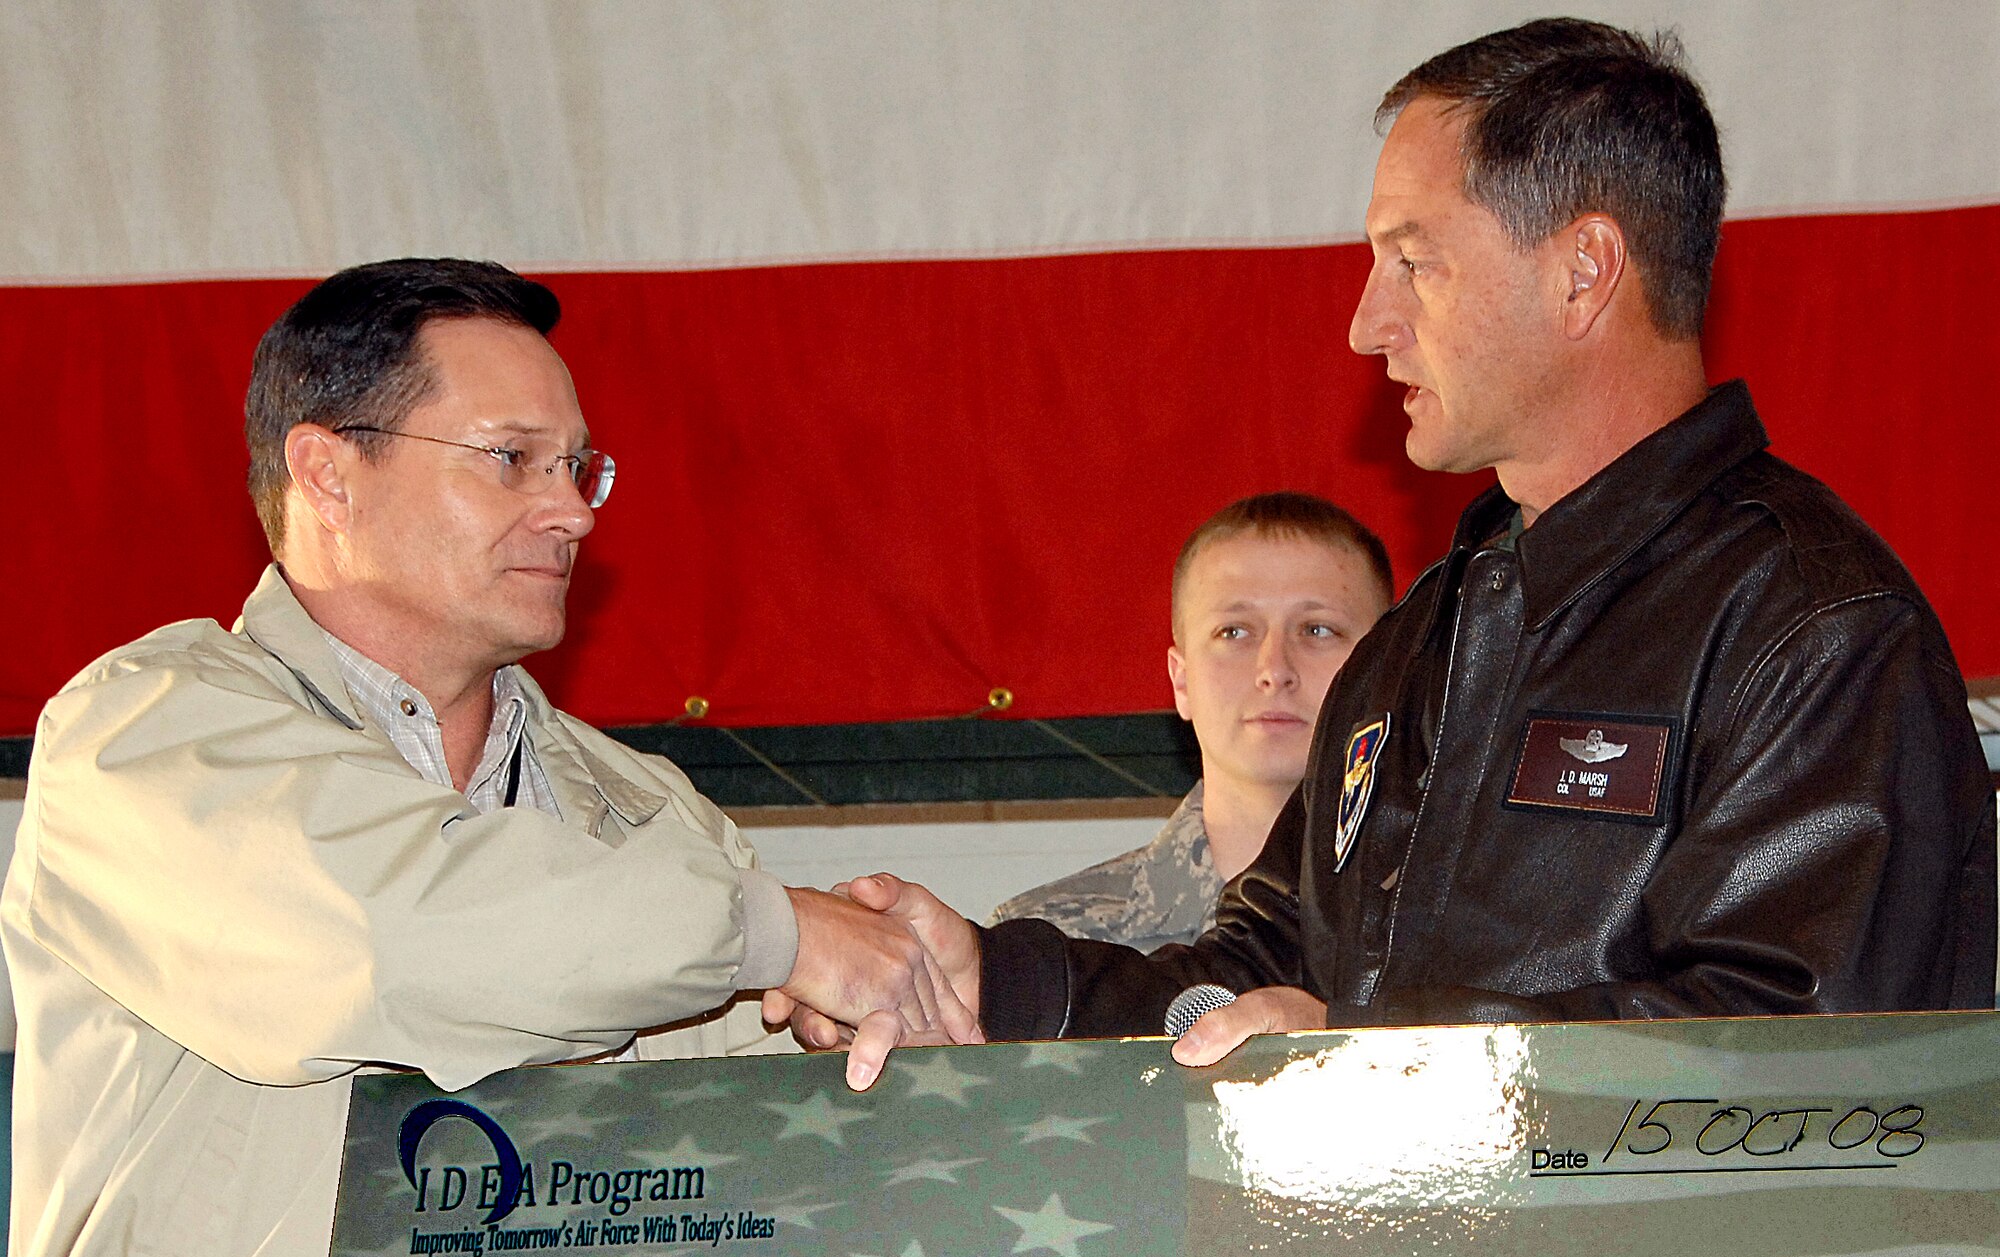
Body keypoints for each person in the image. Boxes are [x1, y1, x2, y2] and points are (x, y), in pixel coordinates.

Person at [0, 258, 966, 1257]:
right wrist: (779, 937)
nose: (571, 509)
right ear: (326, 471)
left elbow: (761, 1172)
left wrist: (890, 994)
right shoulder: (147, 736)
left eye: (581, 466)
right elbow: (386, 942)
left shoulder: (648, 820)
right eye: (512, 460)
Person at [788, 17, 1995, 1083]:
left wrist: (1368, 1055)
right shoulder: (1424, 636)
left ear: (1582, 273)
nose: (1367, 323)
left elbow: (1804, 1052)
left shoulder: (1813, 627)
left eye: (1411, 259)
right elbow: (1258, 970)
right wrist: (996, 986)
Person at [989, 493, 1391, 951]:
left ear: (1384, 674)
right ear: (1181, 682)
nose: (1274, 670)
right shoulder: (1049, 948)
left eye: (1318, 630)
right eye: (1233, 632)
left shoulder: (1460, 941)